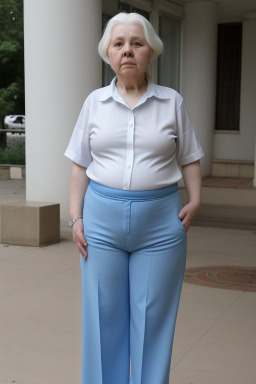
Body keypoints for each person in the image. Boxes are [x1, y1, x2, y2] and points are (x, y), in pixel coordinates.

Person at [65, 12, 204, 384]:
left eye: (136, 43)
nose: (127, 50)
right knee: (102, 319)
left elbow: (189, 156)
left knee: (153, 323)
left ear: (151, 53)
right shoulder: (94, 103)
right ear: (109, 53)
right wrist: (75, 218)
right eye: (119, 43)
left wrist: (195, 200)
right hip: (101, 224)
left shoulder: (171, 102)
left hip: (160, 225)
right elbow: (80, 164)